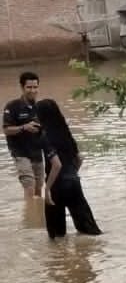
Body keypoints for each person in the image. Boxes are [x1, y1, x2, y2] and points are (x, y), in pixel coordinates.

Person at [36, 99, 102, 239]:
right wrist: (72, 175)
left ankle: (60, 259)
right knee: (89, 231)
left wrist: (47, 189)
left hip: (56, 186)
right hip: (73, 183)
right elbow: (79, 159)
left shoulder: (44, 136)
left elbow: (56, 164)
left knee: (56, 236)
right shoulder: (66, 134)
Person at [2, 71, 44, 201]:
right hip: (20, 153)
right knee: (29, 186)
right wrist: (23, 127)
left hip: (37, 153)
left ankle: (37, 217)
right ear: (22, 87)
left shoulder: (40, 107)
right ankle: (29, 218)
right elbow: (6, 130)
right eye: (29, 87)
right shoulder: (12, 106)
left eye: (35, 87)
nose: (33, 90)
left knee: (38, 189)